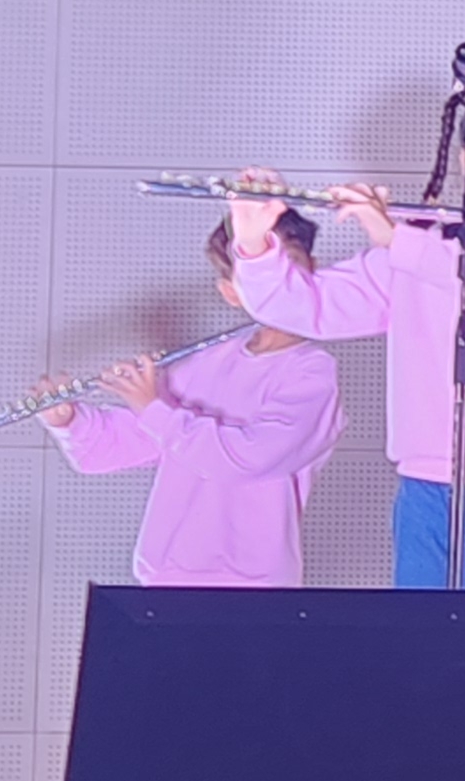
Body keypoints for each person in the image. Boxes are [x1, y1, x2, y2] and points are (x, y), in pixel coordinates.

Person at [227, 73, 465, 590]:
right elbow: (302, 307)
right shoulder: (420, 250)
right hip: (425, 484)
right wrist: (253, 242)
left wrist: (397, 239)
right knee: (424, 644)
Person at [37, 213, 345, 588]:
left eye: (289, 267)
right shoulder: (206, 361)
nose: (276, 285)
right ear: (231, 292)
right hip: (166, 577)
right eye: (257, 275)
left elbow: (248, 459)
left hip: (255, 587)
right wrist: (70, 421)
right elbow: (121, 445)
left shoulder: (311, 373)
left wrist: (153, 408)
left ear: (314, 272)